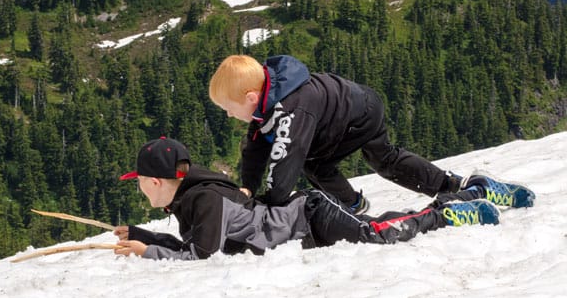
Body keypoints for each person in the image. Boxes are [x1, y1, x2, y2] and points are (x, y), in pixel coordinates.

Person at [208, 53, 535, 215]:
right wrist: (248, 188)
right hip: (354, 103)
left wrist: (267, 205)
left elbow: (285, 160)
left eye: (228, 107)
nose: (228, 114)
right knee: (380, 159)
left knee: (355, 162)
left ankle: (352, 204)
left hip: (358, 115)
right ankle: (459, 186)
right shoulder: (268, 100)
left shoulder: (292, 108)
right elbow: (256, 148)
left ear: (251, 97)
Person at [114, 136, 528, 262]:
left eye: (139, 181)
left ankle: (451, 211)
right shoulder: (197, 195)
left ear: (155, 181)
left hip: (309, 216)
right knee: (379, 225)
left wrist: (149, 251)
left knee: (379, 236)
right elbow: (195, 244)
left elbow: (201, 256)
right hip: (305, 221)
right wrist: (141, 235)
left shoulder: (203, 201)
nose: (138, 187)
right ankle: (474, 191)